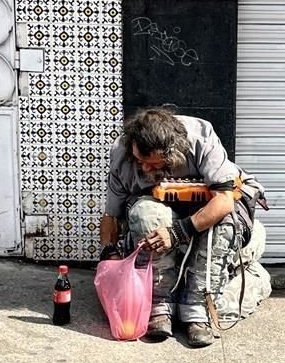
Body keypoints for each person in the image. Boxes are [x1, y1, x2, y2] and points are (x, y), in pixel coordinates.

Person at [99, 107, 267, 348]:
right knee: (145, 213)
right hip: (161, 217)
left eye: (154, 164)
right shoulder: (122, 154)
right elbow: (111, 216)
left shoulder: (201, 138)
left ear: (174, 153)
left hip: (206, 213)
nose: (145, 169)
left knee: (224, 224)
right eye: (140, 162)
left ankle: (197, 305)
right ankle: (159, 303)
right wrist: (109, 255)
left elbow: (224, 201)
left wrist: (177, 232)